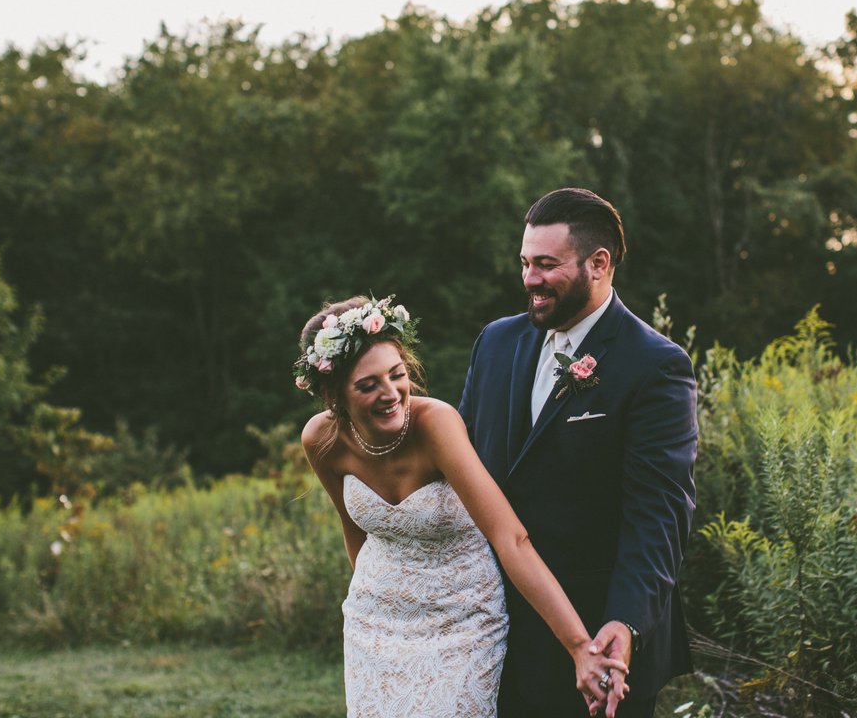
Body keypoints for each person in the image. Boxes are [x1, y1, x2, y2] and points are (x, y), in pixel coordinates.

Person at [295, 295, 628, 718]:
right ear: (332, 393)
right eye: (367, 385)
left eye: (396, 375)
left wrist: (580, 646)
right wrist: (375, 608)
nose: (390, 393)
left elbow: (511, 538)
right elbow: (355, 530)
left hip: (462, 620)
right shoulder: (321, 440)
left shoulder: (436, 424)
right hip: (374, 624)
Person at [459, 188, 698, 718]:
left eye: (546, 264)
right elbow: (464, 467)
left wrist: (626, 620)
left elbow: (659, 513)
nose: (529, 279)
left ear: (599, 263)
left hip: (598, 635)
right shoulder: (494, 343)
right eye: (524, 263)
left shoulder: (655, 365)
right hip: (494, 627)